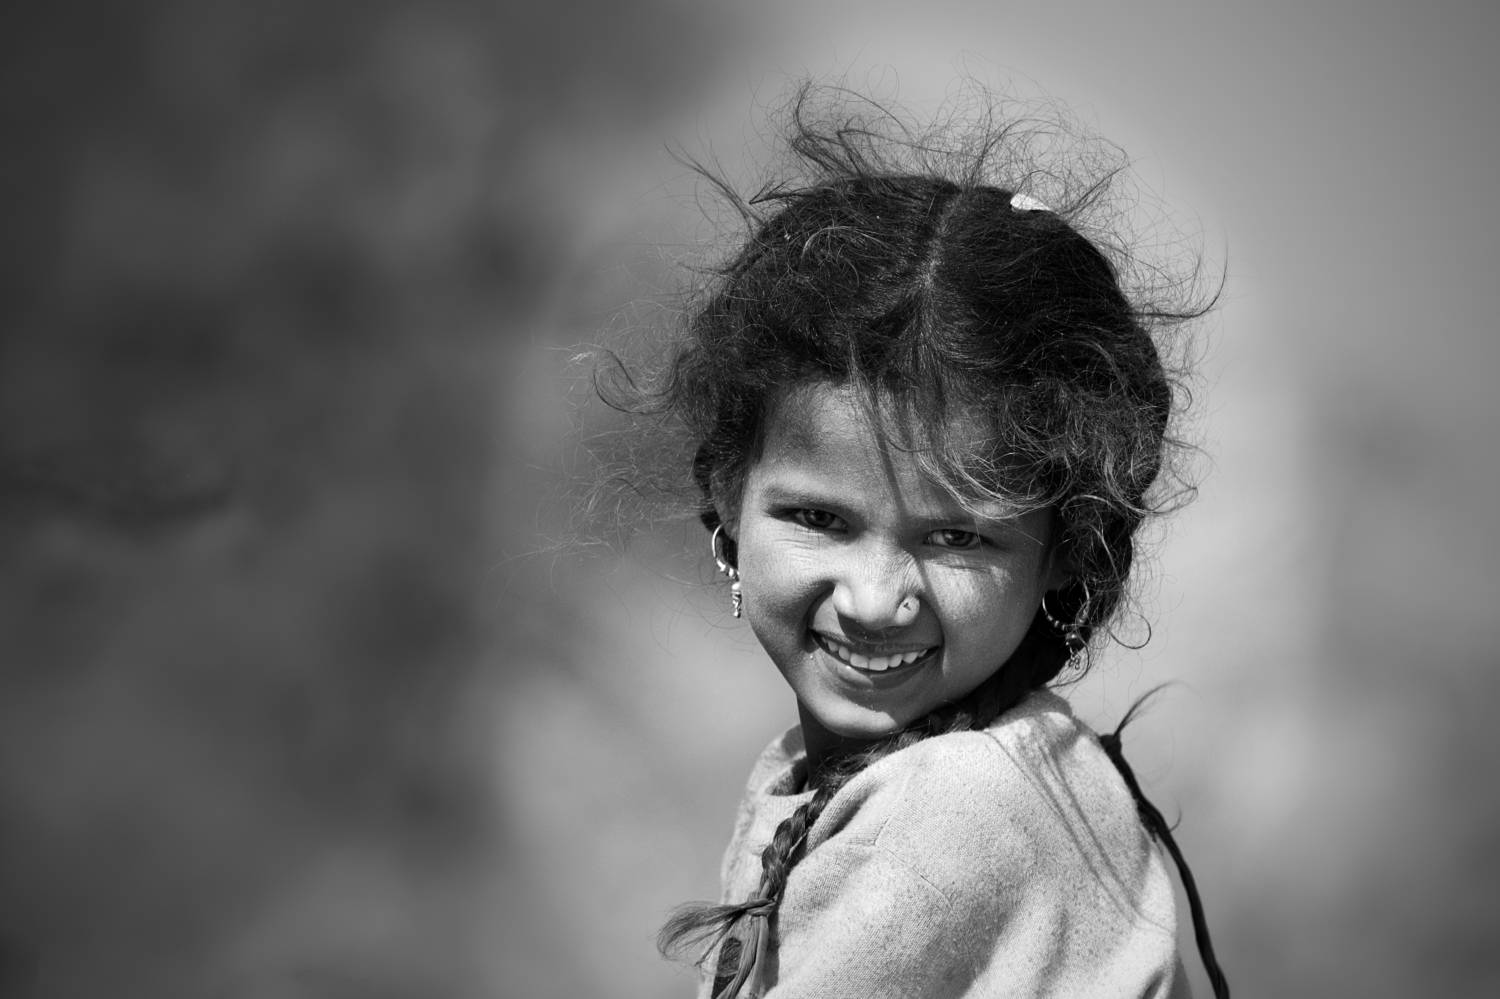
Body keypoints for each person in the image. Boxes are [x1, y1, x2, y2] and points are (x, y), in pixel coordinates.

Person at [606, 87, 1228, 999]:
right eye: (819, 519)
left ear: (1066, 546)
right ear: (728, 495)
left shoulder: (957, 809)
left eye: (954, 536)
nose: (874, 599)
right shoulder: (976, 765)